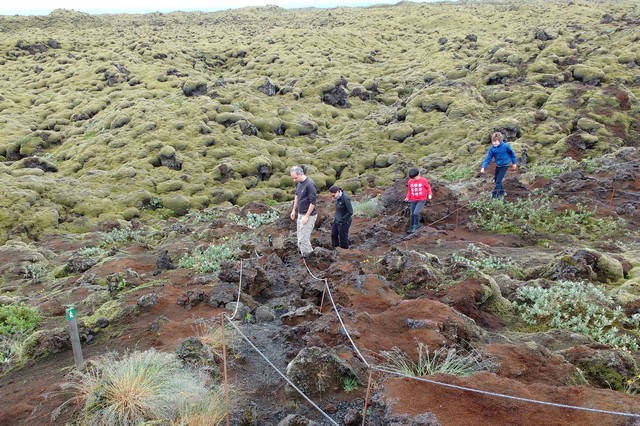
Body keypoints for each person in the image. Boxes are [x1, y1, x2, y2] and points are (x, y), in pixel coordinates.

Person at [289, 166, 317, 256]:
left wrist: (307, 216)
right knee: (299, 239)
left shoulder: (310, 184)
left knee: (303, 240)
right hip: (300, 214)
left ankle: (308, 258)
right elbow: (297, 195)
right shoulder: (298, 182)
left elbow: (313, 202)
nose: (294, 180)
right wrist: (293, 210)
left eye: (295, 178)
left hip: (309, 215)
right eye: (293, 178)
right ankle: (305, 255)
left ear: (301, 174)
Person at [480, 132, 518, 198]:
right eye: (493, 141)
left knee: (498, 181)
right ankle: (502, 192)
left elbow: (512, 154)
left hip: (505, 165)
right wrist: (483, 167)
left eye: (496, 141)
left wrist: (514, 163)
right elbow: (488, 158)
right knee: (496, 180)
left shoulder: (506, 146)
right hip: (498, 165)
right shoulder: (492, 149)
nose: (494, 143)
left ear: (500, 140)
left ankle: (495, 196)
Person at [404, 168, 433, 234]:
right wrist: (407, 197)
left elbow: (428, 188)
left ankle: (416, 225)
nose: (414, 179)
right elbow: (409, 190)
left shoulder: (423, 180)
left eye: (415, 178)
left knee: (416, 213)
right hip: (413, 200)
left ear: (418, 174)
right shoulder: (410, 182)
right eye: (412, 178)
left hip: (421, 200)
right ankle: (412, 227)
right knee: (411, 214)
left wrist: (430, 194)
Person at [329, 185, 353, 250]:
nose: (332, 198)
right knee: (333, 235)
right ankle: (335, 250)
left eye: (333, 196)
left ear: (337, 192)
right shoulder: (337, 198)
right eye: (331, 196)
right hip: (337, 220)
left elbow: (350, 211)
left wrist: (343, 219)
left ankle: (344, 252)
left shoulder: (345, 198)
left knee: (343, 238)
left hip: (344, 222)